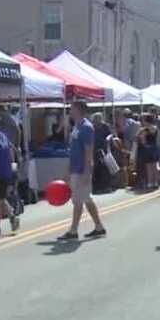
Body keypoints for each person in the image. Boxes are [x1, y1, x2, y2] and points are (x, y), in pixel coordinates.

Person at [59, 102, 107, 241]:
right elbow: (73, 149)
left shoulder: (86, 127)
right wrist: (68, 169)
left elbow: (88, 151)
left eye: (72, 109)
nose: (70, 111)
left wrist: (87, 171)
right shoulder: (77, 126)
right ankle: (98, 227)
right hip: (75, 168)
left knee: (80, 200)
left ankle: (74, 230)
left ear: (79, 110)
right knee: (83, 199)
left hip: (81, 169)